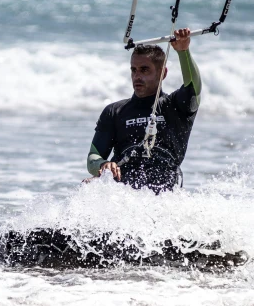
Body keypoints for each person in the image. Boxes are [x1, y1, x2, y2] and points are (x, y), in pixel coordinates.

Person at [86, 28, 201, 193]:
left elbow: (194, 86)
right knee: (87, 186)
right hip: (123, 194)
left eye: (144, 70)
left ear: (163, 73)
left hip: (164, 195)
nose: (137, 76)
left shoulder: (176, 106)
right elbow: (92, 158)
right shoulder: (115, 111)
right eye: (134, 70)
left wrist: (183, 52)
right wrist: (103, 165)